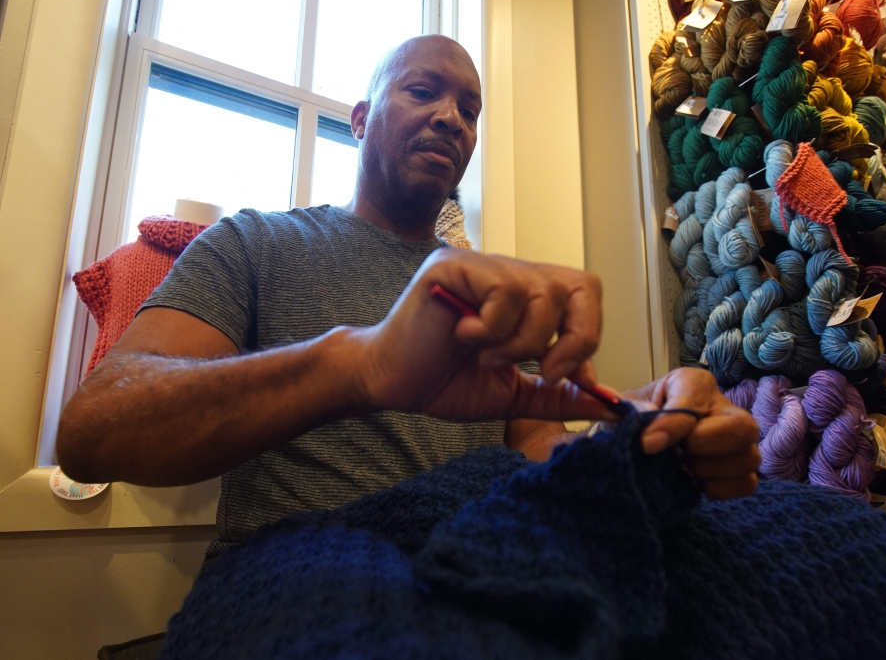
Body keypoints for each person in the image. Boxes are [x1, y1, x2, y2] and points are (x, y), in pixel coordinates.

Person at [57, 35, 759, 562]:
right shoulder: (251, 244)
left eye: (470, 111)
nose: (452, 118)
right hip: (296, 581)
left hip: (478, 574)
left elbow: (534, 443)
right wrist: (355, 366)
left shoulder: (491, 293)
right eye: (423, 92)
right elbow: (91, 434)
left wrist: (639, 438)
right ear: (361, 120)